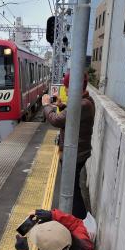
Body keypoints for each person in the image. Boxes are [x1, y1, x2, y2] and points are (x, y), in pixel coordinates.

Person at [42, 72, 95, 219]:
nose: (65, 90)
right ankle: (78, 218)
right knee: (74, 187)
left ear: (74, 87)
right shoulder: (87, 100)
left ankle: (79, 219)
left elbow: (56, 120)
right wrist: (61, 105)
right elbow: (72, 116)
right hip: (80, 151)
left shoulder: (80, 104)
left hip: (75, 155)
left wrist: (47, 105)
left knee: (72, 189)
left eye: (66, 87)